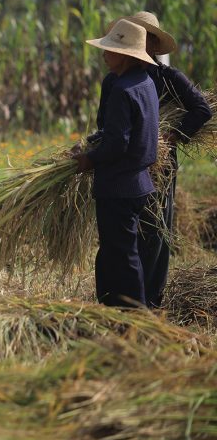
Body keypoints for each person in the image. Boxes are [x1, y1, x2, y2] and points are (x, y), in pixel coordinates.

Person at [124, 12, 212, 308]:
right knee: (130, 228)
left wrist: (173, 137)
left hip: (160, 165)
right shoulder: (118, 78)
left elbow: (201, 109)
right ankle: (129, 296)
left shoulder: (167, 78)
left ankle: (152, 300)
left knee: (157, 228)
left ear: (151, 42)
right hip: (126, 164)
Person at [74, 18, 159, 308]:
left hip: (119, 186)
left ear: (125, 55)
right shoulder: (144, 83)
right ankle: (112, 310)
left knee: (123, 254)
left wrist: (88, 159)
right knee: (116, 251)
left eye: (109, 49)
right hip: (137, 183)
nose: (104, 54)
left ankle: (136, 317)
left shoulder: (123, 90)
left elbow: (117, 144)